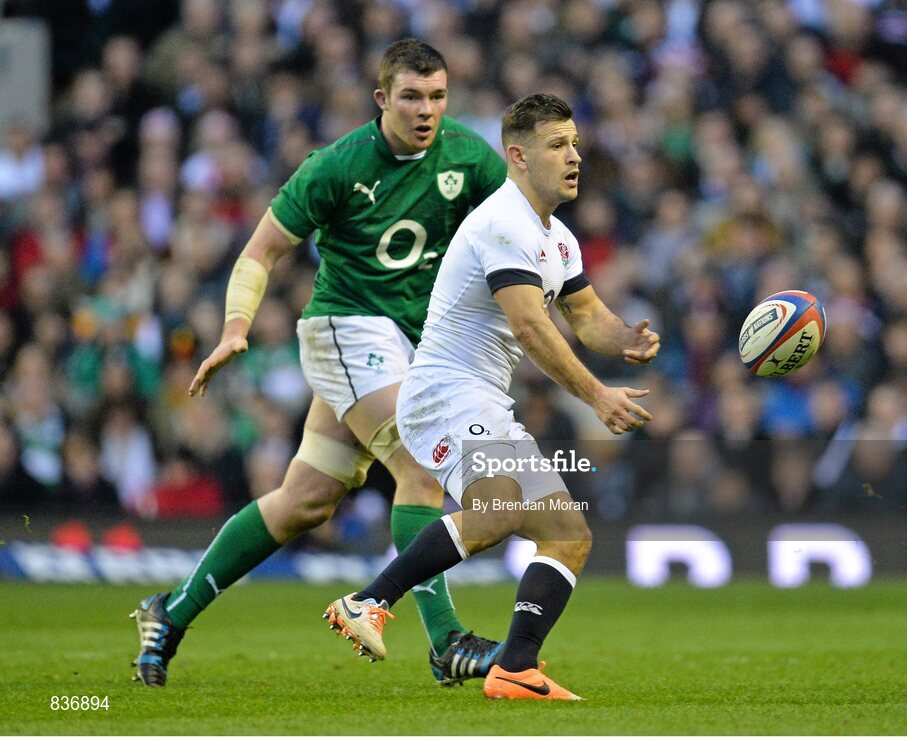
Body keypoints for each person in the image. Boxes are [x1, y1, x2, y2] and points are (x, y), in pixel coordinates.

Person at [131, 39, 508, 688]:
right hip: (343, 328)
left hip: (408, 346)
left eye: (438, 97)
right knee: (418, 464)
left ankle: (171, 611)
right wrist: (236, 326)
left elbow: (514, 233)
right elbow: (260, 251)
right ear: (381, 98)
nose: (426, 110)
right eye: (412, 96)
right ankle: (447, 642)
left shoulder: (469, 157)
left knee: (304, 501)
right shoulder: (336, 166)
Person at [323, 93, 660, 701]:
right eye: (557, 145)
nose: (574, 156)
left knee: (567, 534)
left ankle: (515, 669)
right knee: (499, 509)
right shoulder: (501, 222)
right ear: (518, 156)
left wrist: (627, 337)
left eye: (576, 143)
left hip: (482, 399)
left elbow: (586, 316)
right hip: (444, 392)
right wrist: (595, 396)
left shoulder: (556, 238)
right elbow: (531, 328)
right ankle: (366, 601)